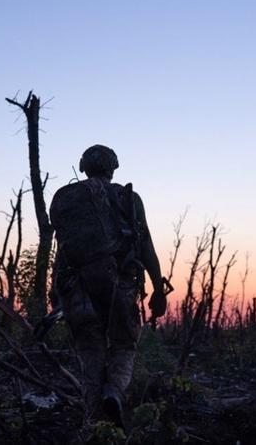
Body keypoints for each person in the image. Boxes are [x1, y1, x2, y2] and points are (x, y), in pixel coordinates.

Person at [49, 144, 169, 424]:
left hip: (76, 285)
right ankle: (114, 391)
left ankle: (93, 418)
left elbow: (62, 249)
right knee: (124, 345)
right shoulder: (128, 198)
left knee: (90, 349)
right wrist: (159, 289)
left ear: (83, 167)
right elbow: (146, 244)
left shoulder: (64, 198)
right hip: (119, 283)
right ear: (113, 168)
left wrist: (56, 291)